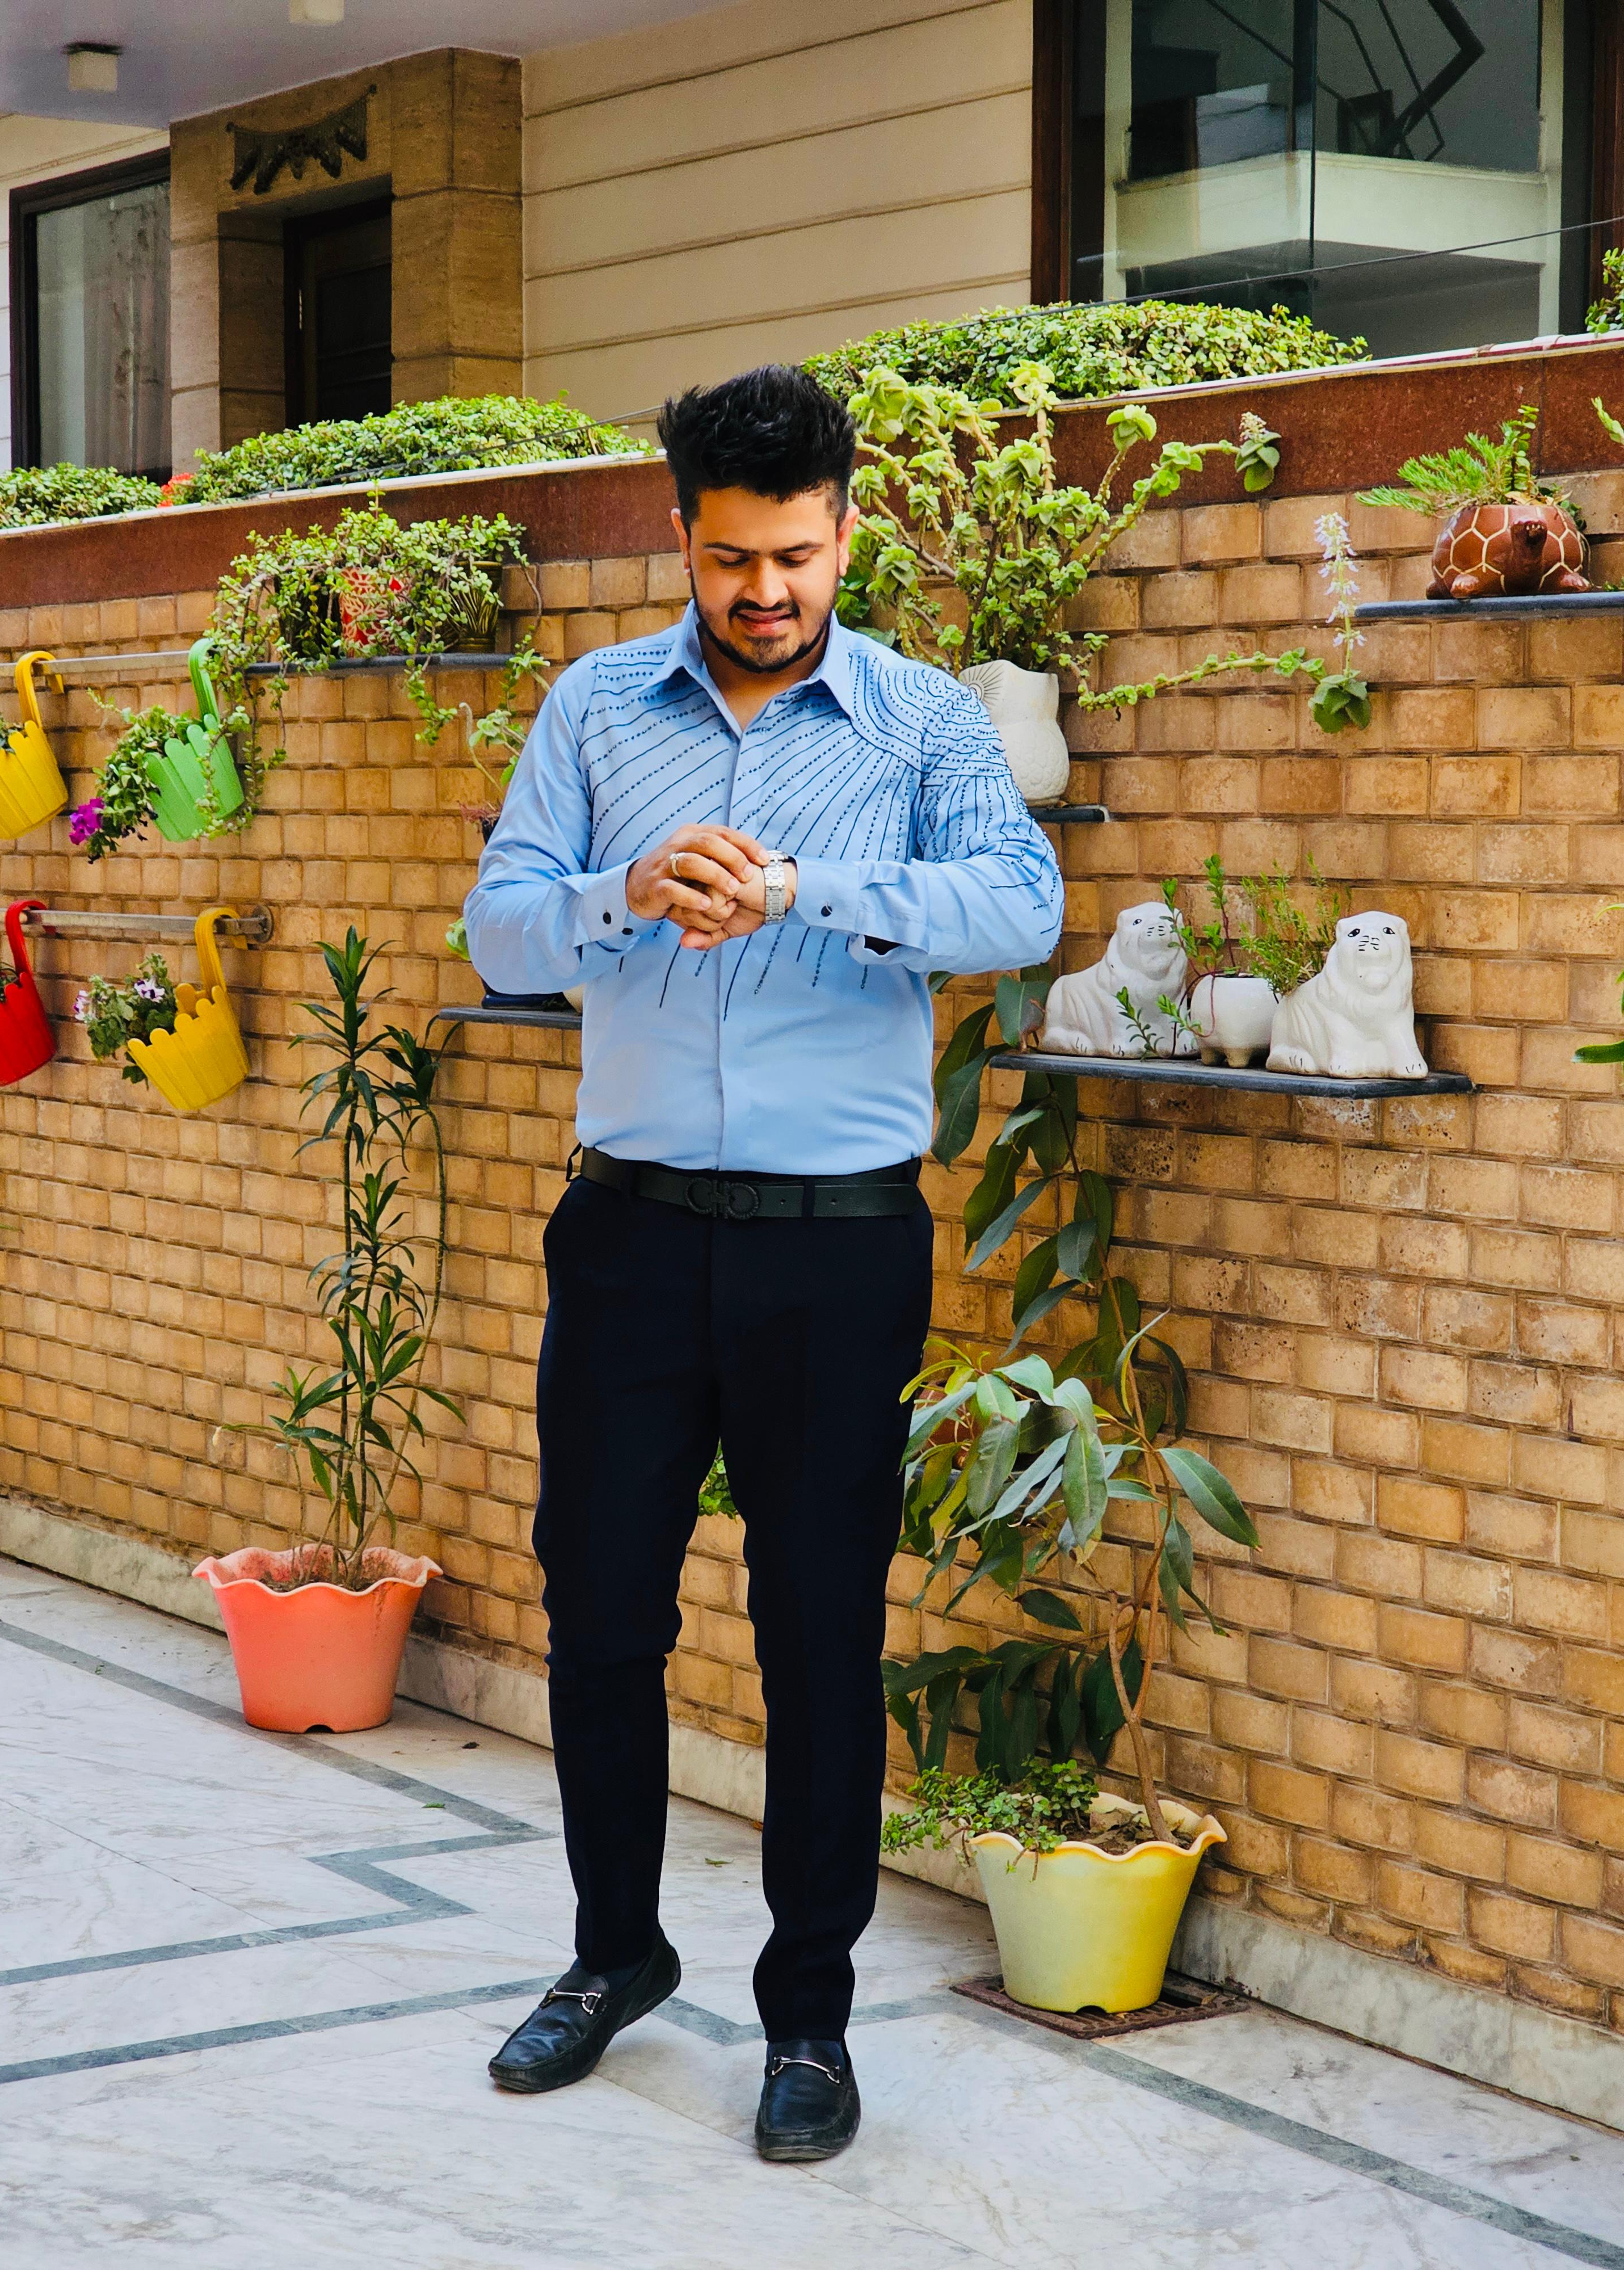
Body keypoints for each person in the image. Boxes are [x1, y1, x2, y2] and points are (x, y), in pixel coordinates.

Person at [463, 363, 1062, 2162]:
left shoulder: (924, 721)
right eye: (731, 559)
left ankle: (811, 2018)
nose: (765, 592)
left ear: (846, 532)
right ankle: (613, 1956)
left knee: (816, 1631)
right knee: (598, 1613)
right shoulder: (592, 709)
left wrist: (810, 887)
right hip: (632, 1237)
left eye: (794, 556)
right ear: (682, 536)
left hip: (837, 1249)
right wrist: (624, 891)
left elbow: (1023, 906)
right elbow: (497, 925)